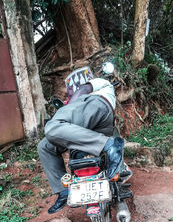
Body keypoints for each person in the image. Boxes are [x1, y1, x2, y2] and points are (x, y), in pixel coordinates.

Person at [38, 77, 124, 214]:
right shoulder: (86, 104)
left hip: (96, 105)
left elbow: (84, 89)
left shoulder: (99, 85)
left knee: (51, 127)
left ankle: (109, 145)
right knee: (44, 147)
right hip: (102, 124)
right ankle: (64, 191)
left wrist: (68, 106)